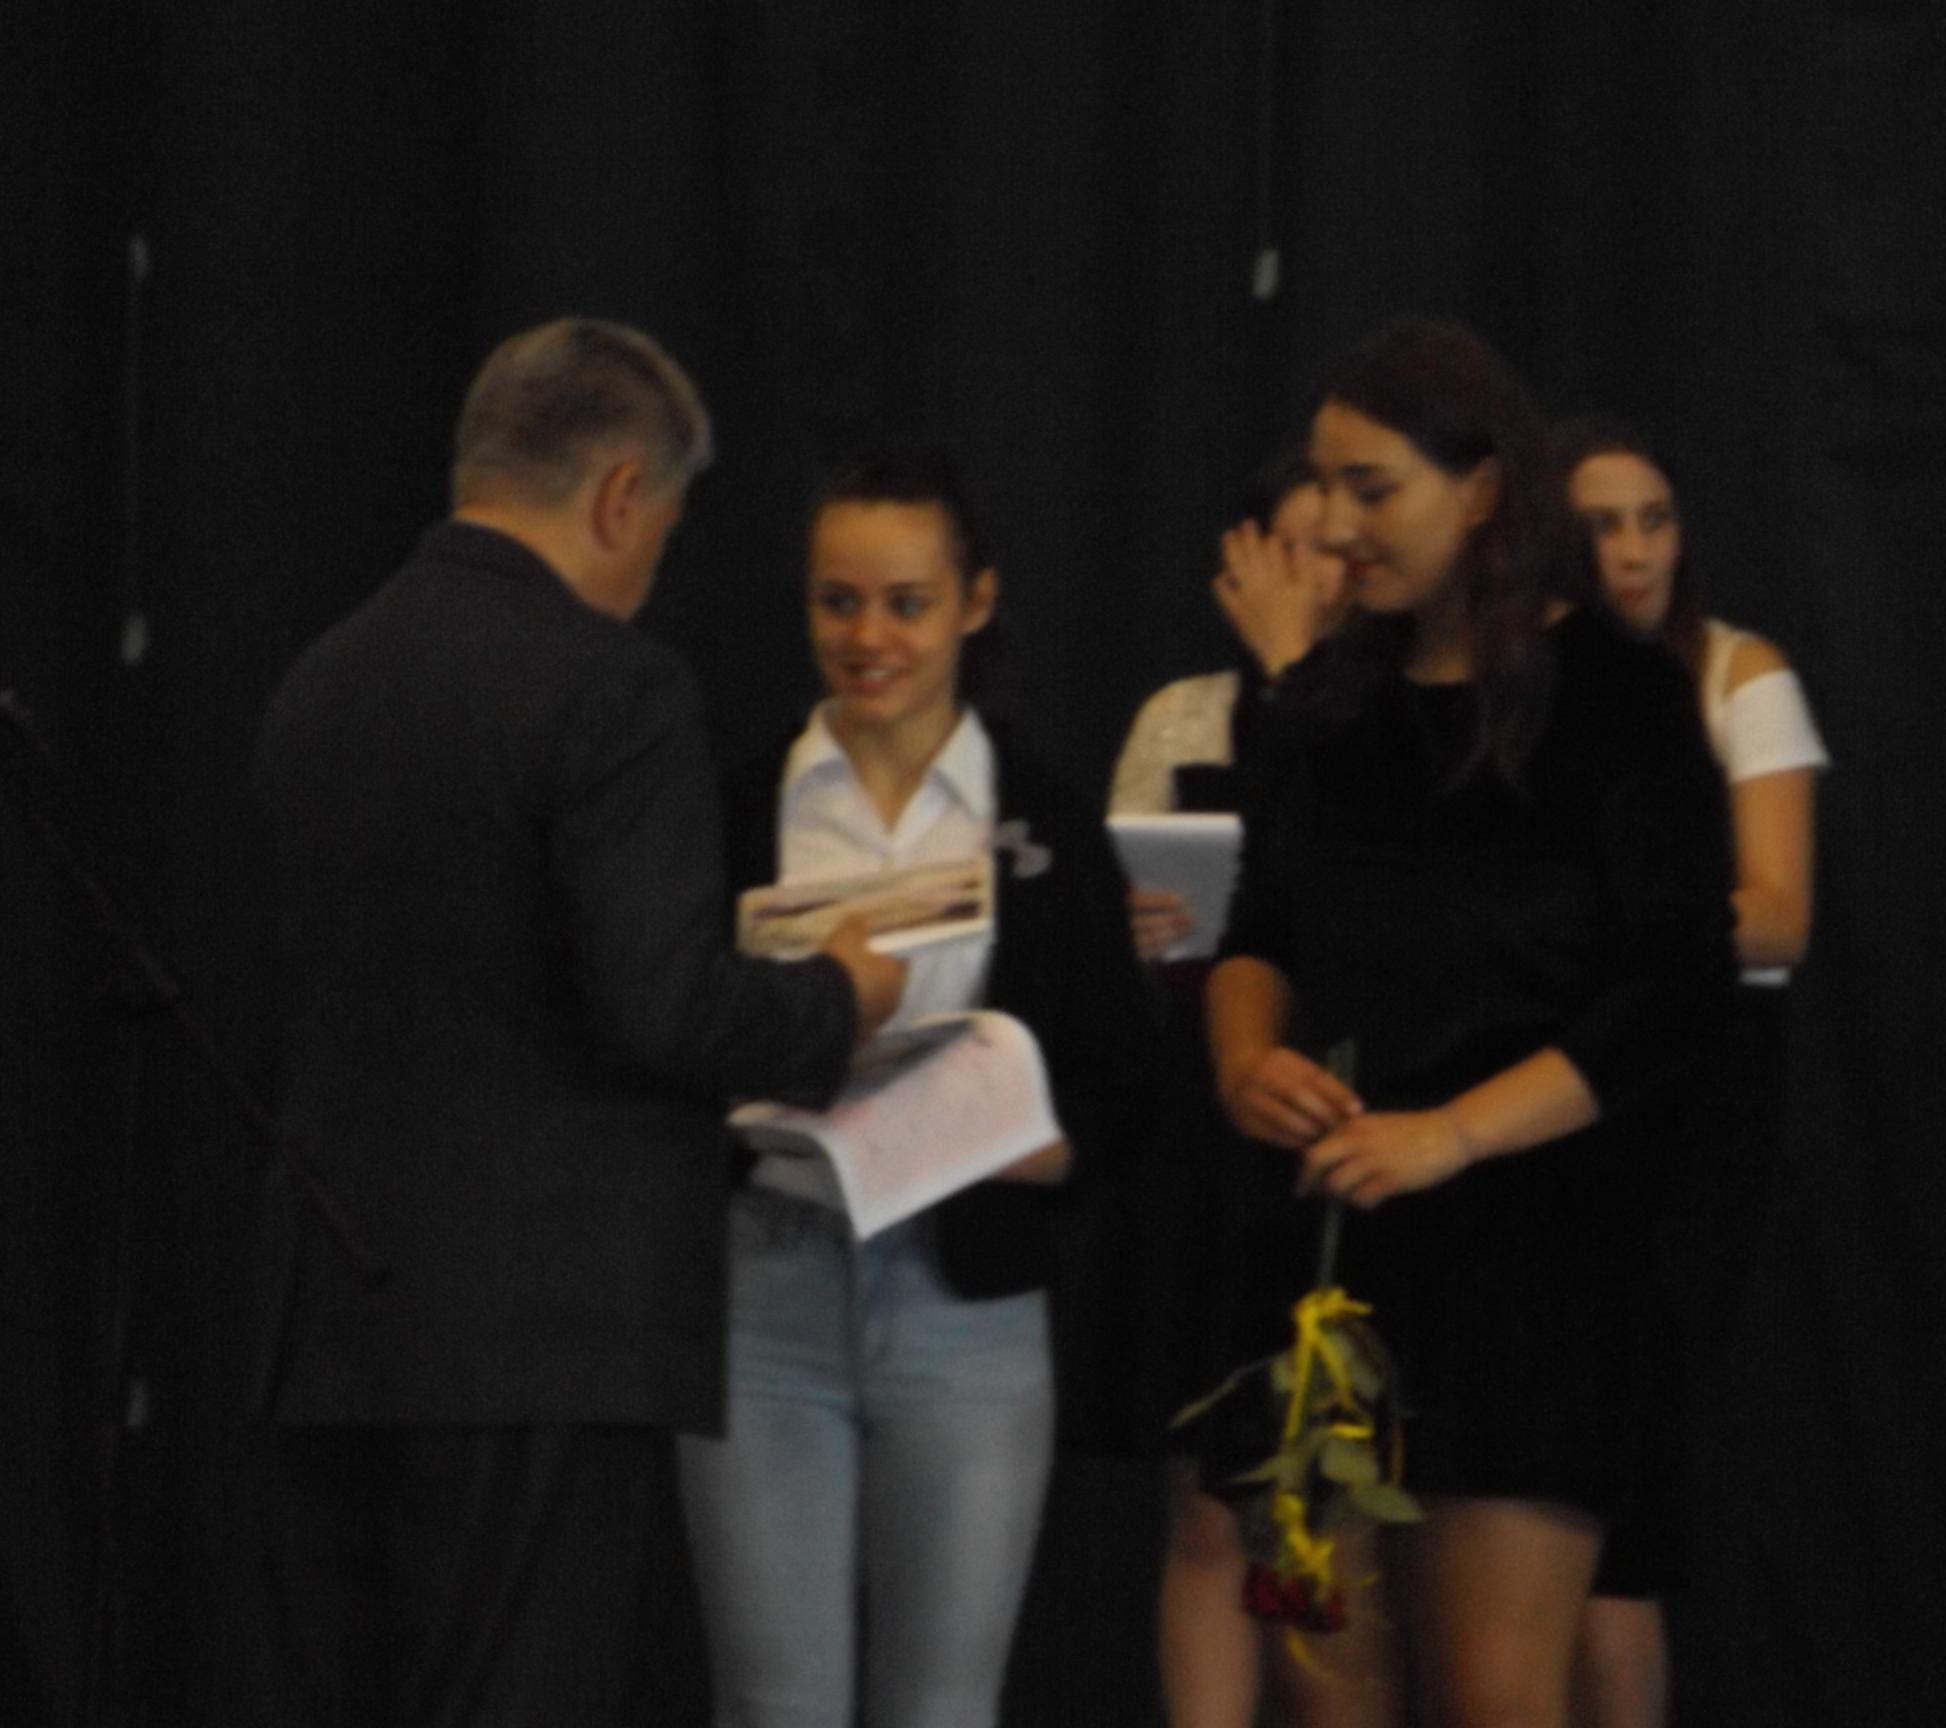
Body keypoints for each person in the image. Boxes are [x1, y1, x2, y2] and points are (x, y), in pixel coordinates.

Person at [251, 317, 904, 1728]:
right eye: (662, 529)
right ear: (619, 495)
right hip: (539, 1326)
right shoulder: (613, 687)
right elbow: (660, 1002)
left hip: (328, 1324)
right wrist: (835, 998)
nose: (653, 564)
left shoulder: (319, 683)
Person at [1204, 321, 1735, 1728]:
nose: (1332, 524)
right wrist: (1246, 1058)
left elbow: (1671, 997)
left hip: (1533, 1271)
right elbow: (1259, 929)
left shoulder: (1620, 699)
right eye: (1324, 484)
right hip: (1333, 1258)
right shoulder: (1333, 697)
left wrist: (1450, 1134)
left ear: (1484, 488)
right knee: (1324, 1685)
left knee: (1499, 1696)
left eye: (1371, 487)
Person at [677, 449, 1152, 1728]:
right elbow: (667, 1041)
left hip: (967, 1306)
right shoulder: (734, 809)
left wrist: (1031, 1142)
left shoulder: (1045, 819)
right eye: (838, 602)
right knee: (774, 1707)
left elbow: (1121, 1086)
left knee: (941, 1709)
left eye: (906, 603)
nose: (869, 638)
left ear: (974, 603)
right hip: (766, 1285)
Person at [1553, 418, 1829, 1728]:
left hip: (1694, 1091)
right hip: (1551, 1082)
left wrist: (1620, 916)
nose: (1635, 549)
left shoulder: (1736, 672)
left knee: (1619, 1485)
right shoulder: (1527, 682)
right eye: (1602, 524)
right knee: (1528, 1481)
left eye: (1655, 518)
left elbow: (1778, 916)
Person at [1107, 456, 1352, 1728]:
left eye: (1339, 546)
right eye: (1291, 545)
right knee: (1211, 1505)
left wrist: (1300, 677)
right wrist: (1129, 933)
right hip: (1207, 1137)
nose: (1317, 572)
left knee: (1336, 1509)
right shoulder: (1182, 717)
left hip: (1353, 1126)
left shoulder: (1393, 714)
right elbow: (1105, 931)